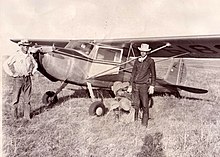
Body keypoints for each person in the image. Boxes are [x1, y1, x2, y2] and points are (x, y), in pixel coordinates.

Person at [3, 39, 38, 121]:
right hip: (18, 79)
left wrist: (32, 72)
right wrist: (12, 74)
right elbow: (5, 64)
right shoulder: (16, 55)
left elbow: (35, 65)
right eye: (25, 46)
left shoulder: (30, 56)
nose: (27, 48)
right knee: (15, 99)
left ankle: (27, 117)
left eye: (28, 46)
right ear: (21, 46)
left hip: (28, 79)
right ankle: (14, 118)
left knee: (27, 99)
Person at [129, 43, 156, 127]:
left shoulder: (150, 61)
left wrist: (152, 85)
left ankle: (144, 124)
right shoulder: (137, 61)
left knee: (145, 105)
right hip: (135, 85)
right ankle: (135, 121)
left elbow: (153, 74)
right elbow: (133, 74)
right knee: (136, 104)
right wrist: (130, 85)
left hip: (144, 86)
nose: (142, 53)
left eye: (144, 51)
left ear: (147, 52)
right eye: (141, 51)